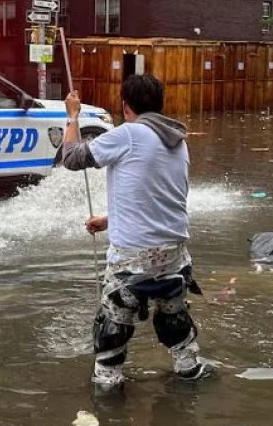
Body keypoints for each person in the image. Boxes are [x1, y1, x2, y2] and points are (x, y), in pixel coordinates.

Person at [63, 74, 211, 387]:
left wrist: (72, 116)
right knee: (174, 319)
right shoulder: (177, 140)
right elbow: (157, 197)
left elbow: (71, 158)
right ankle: (189, 373)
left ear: (125, 107)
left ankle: (108, 392)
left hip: (133, 260)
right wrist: (110, 219)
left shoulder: (128, 134)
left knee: (113, 328)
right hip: (175, 255)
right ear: (160, 105)